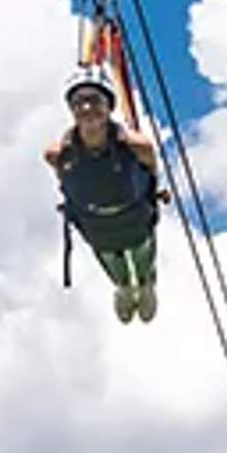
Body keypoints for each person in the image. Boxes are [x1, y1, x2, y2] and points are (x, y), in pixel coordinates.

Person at [48, 77, 165, 322]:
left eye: (94, 101)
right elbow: (64, 183)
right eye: (79, 102)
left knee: (142, 262)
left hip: (134, 218)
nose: (87, 108)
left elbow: (152, 172)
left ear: (109, 107)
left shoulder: (136, 145)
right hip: (97, 226)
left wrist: (155, 194)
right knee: (116, 268)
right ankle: (123, 288)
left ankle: (145, 286)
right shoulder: (58, 153)